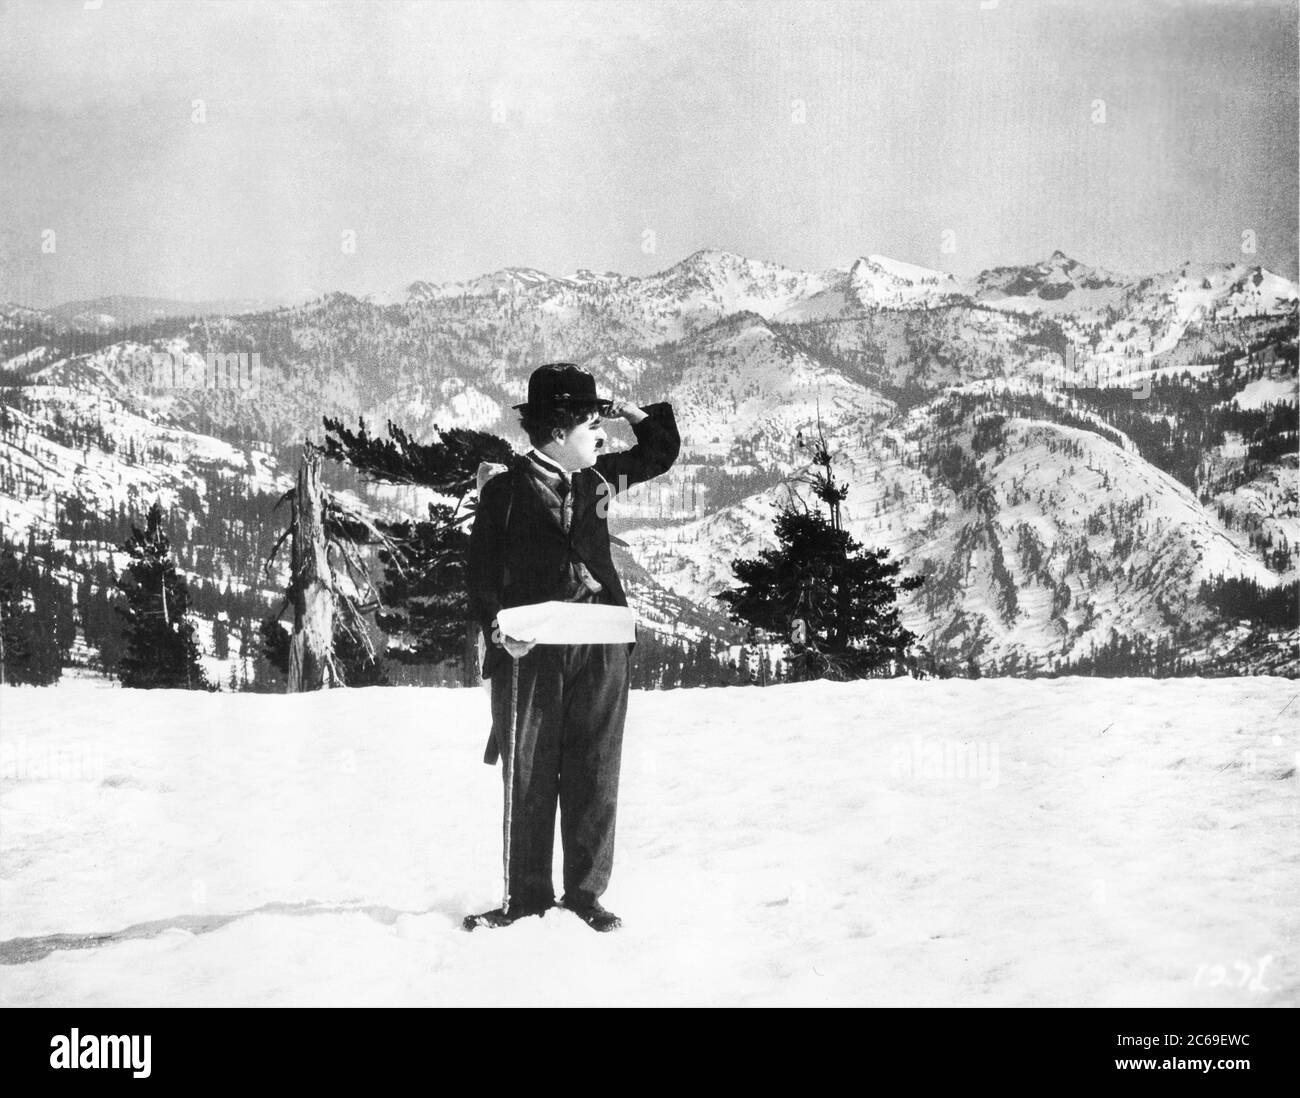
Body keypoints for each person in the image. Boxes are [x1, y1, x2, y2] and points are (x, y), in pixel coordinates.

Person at [464, 362, 680, 932]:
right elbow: (481, 573)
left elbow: (659, 452)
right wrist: (496, 628)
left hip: (602, 646)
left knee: (595, 767)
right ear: (558, 434)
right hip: (527, 652)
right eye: (591, 425)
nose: (602, 436)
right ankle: (526, 898)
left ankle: (585, 895)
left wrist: (631, 411)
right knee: (530, 774)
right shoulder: (505, 491)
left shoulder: (600, 483)